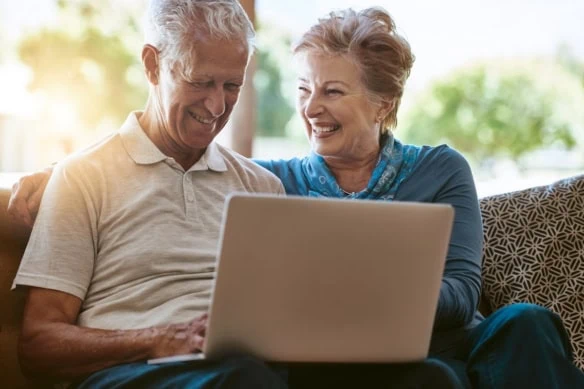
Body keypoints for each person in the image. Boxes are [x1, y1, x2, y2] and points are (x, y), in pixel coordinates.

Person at [9, 5, 584, 389]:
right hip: (178, 368)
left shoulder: (263, 184)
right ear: (153, 66)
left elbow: (458, 293)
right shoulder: (94, 177)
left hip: (362, 351)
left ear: (382, 104)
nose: (216, 105)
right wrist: (58, 172)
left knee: (503, 336)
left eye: (231, 86)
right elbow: (37, 341)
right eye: (200, 81)